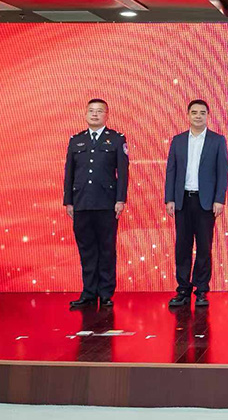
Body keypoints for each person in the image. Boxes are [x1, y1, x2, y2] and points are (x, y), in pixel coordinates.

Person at [63, 98, 128, 309]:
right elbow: (69, 173)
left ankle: (106, 293)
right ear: (85, 114)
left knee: (107, 249)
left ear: (106, 115)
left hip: (106, 203)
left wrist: (120, 199)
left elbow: (123, 173)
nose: (95, 114)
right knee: (87, 250)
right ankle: (89, 292)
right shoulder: (76, 140)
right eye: (91, 111)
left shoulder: (116, 139)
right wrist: (68, 201)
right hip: (81, 203)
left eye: (99, 111)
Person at [165, 99, 228, 308]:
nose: (198, 116)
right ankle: (183, 289)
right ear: (188, 115)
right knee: (182, 247)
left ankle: (201, 290)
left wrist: (219, 199)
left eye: (202, 112)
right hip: (183, 200)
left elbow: (222, 172)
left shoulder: (217, 140)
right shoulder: (178, 140)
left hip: (206, 202)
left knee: (204, 247)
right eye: (194, 112)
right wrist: (170, 198)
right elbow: (171, 171)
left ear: (208, 116)